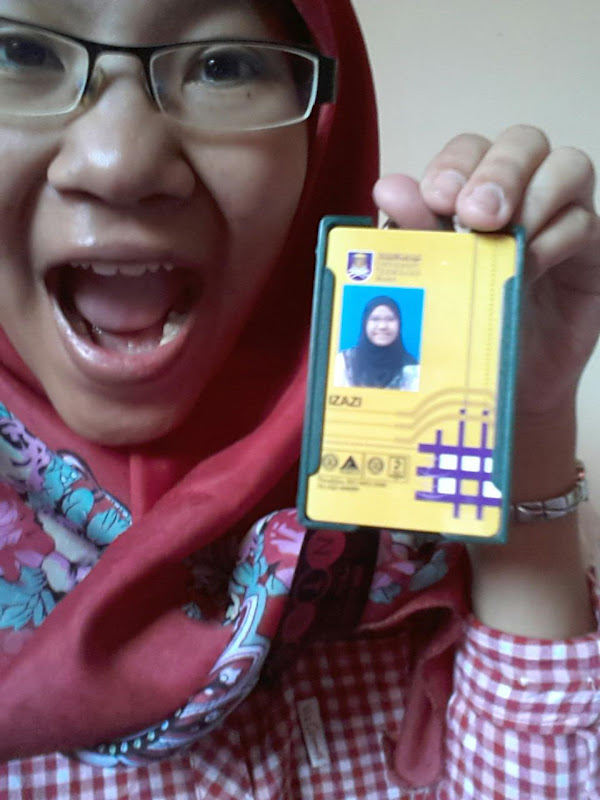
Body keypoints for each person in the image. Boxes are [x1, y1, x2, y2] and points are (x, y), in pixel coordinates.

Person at [0, 1, 598, 798]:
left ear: (323, 135)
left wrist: (528, 434)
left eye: (223, 65)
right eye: (18, 53)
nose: (118, 163)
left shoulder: (417, 477)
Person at [335, 295, 420, 390]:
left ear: (399, 324)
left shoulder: (412, 370)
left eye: (390, 319)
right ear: (365, 324)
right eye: (375, 319)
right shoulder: (343, 363)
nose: (382, 326)